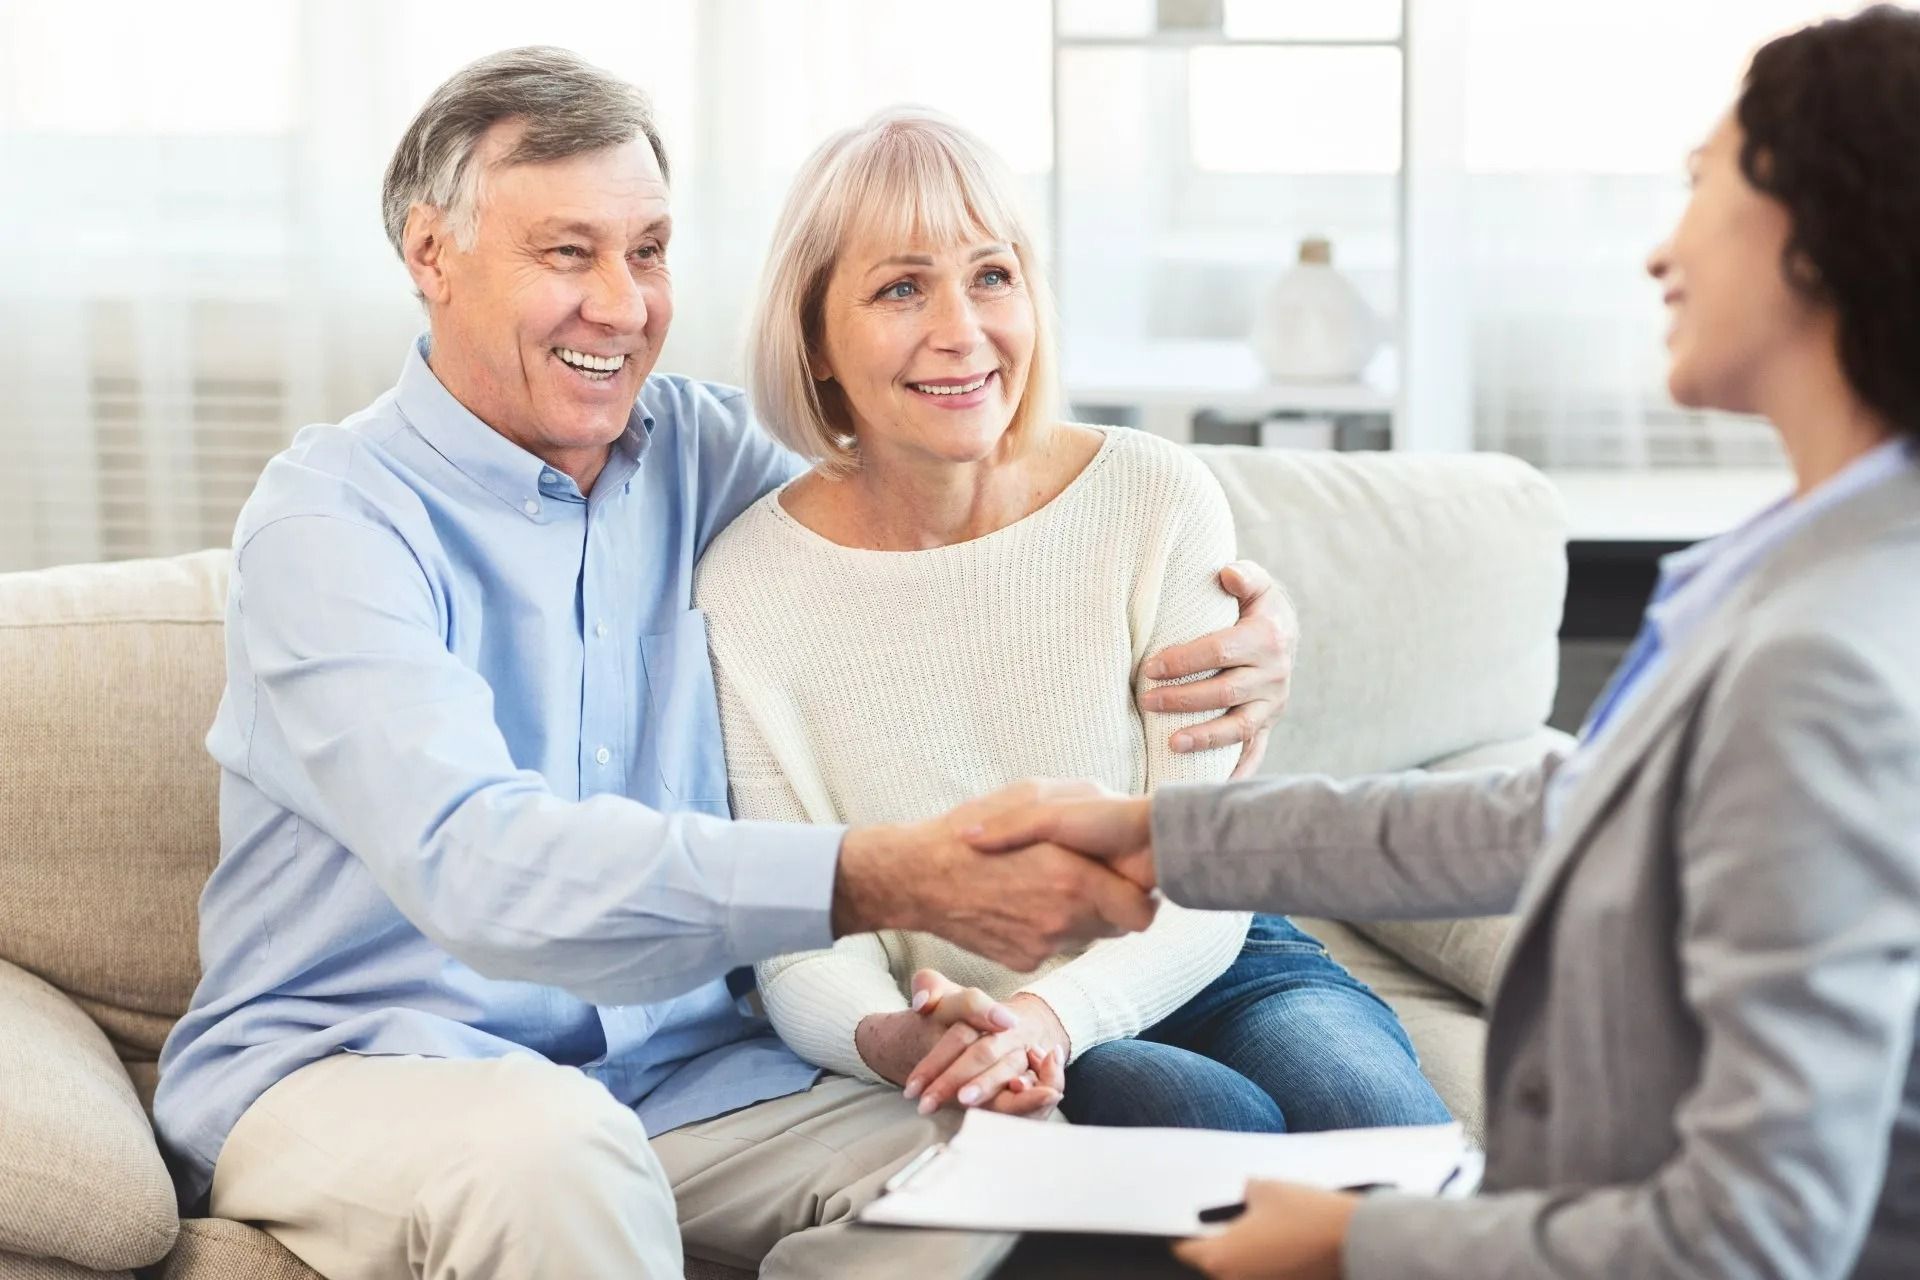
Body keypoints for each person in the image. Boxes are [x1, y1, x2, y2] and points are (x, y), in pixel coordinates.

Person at [150, 47, 1300, 1280]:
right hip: (367, 1067)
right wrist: (882, 873)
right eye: (568, 252)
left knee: (1010, 1175)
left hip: (692, 1074)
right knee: (554, 1151)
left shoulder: (708, 458)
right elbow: (477, 867)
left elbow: (957, 529)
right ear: (431, 254)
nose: (624, 304)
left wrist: (1258, 630)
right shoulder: (333, 524)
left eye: (646, 251)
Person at [966, 8, 1920, 1277]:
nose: (1658, 250)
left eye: (1701, 185)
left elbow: (1751, 1236)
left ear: (1816, 225)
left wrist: (1365, 1239)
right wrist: (1166, 833)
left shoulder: (1829, 658)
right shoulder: (1799, 565)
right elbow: (1549, 817)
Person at [695, 108, 1448, 1137]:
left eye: (992, 275)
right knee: (1184, 1107)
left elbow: (1204, 867)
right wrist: (898, 1037)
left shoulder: (1154, 495)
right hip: (968, 1015)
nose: (962, 328)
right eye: (902, 286)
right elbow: (801, 937)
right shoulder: (746, 584)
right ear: (815, 338)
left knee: (1378, 1122)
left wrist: (1049, 1013)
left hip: (1219, 956)